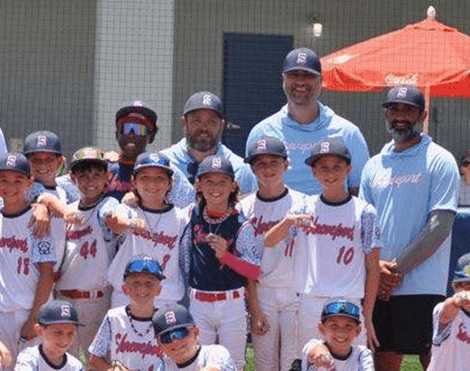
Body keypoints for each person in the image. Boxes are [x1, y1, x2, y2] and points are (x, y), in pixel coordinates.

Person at [359, 85, 460, 371]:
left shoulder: (439, 160)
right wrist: (377, 271)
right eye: (394, 109)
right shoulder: (374, 165)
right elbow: (364, 224)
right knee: (385, 366)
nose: (400, 116)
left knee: (436, 370)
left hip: (422, 285)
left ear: (422, 114)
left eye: (408, 110)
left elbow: (440, 225)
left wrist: (395, 269)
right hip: (380, 283)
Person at [265, 138, 380, 354]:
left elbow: (373, 268)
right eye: (323, 167)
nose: (330, 173)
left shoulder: (365, 212)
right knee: (311, 366)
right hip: (311, 302)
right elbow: (269, 241)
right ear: (314, 172)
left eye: (337, 167)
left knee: (351, 368)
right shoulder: (303, 207)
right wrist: (288, 222)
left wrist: (368, 315)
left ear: (348, 169)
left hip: (349, 299)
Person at [237, 136, 307, 371]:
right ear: (252, 168)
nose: (268, 169)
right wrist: (254, 308)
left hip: (295, 294)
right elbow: (246, 263)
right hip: (262, 294)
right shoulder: (245, 208)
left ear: (286, 164)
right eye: (260, 164)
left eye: (274, 162)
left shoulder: (304, 202)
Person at [180, 155, 261, 371]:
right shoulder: (191, 214)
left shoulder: (241, 224)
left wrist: (227, 257)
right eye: (209, 182)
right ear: (199, 185)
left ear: (233, 185)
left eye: (222, 182)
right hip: (198, 302)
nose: (216, 188)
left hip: (231, 303)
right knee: (199, 364)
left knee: (234, 367)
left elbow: (254, 271)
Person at [246, 48, 370, 196]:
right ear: (283, 79)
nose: (300, 81)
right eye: (293, 74)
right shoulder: (261, 133)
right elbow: (253, 191)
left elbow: (359, 190)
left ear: (321, 81)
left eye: (308, 75)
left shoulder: (348, 133)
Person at [0, 153, 64, 371]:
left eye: (18, 180)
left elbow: (47, 273)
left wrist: (34, 318)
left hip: (27, 312)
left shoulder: (37, 219)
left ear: (29, 183)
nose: (10, 187)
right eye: (4, 180)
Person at [54, 148, 126, 359]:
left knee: (97, 364)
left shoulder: (108, 206)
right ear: (73, 178)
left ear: (107, 177)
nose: (90, 181)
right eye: (83, 175)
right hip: (64, 298)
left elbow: (113, 215)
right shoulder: (67, 210)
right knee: (61, 363)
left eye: (96, 175)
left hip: (97, 300)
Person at [106, 151, 190, 309]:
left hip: (165, 297)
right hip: (125, 296)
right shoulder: (127, 210)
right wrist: (132, 224)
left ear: (170, 182)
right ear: (134, 181)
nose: (152, 184)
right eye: (145, 178)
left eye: (159, 178)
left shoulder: (180, 218)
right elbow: (115, 223)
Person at [160, 91, 256, 207]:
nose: (204, 128)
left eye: (211, 122)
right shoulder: (164, 163)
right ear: (184, 123)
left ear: (222, 125)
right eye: (197, 121)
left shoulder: (240, 168)